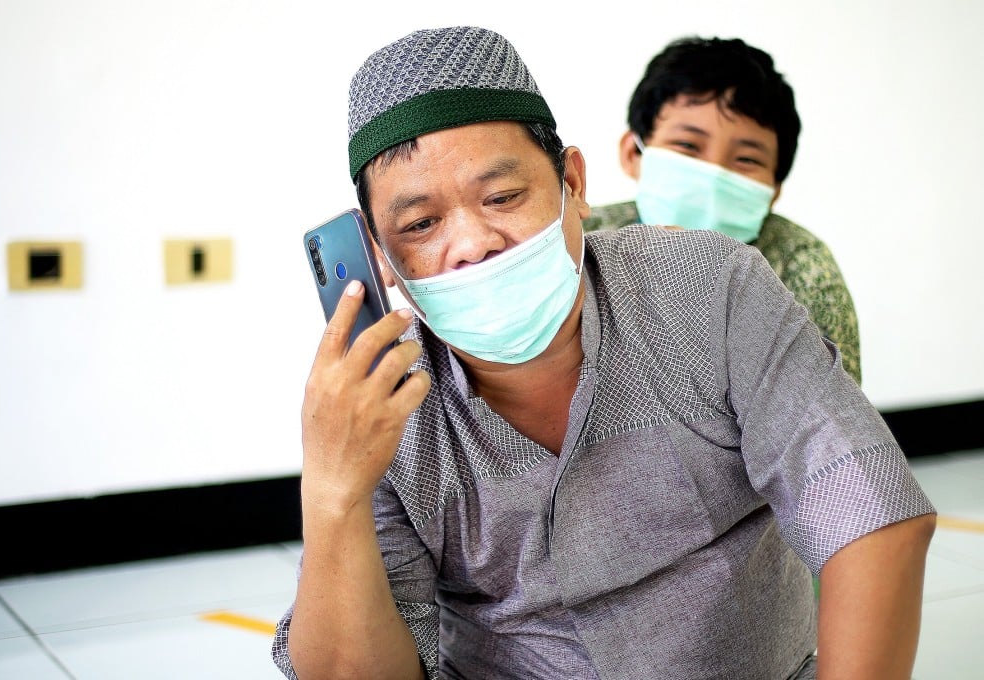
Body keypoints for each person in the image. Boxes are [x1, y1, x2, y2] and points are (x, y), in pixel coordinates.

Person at [272, 26, 935, 680]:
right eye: (420, 225)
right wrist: (334, 491)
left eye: (502, 197)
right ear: (381, 257)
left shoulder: (709, 289)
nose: (472, 244)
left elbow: (870, 516)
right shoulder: (382, 408)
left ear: (573, 183)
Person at [585, 36, 862, 383]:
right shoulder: (582, 241)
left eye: (746, 159)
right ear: (633, 154)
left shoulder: (801, 268)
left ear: (773, 189)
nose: (714, 177)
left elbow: (835, 420)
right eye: (687, 146)